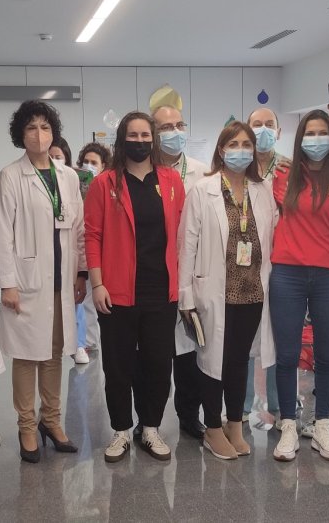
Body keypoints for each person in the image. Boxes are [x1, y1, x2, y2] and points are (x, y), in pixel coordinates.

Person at [85, 111, 186, 463]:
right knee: (118, 366)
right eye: (134, 135)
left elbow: (182, 236)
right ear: (122, 139)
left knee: (159, 364)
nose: (141, 141)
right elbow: (93, 236)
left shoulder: (172, 181)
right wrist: (97, 284)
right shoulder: (105, 183)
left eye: (146, 135)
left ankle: (150, 428)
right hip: (117, 292)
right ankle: (121, 430)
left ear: (153, 139)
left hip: (161, 291)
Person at [0, 101, 87, 463]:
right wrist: (8, 283)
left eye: (45, 127)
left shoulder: (68, 176)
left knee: (53, 355)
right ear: (21, 134)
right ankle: (27, 426)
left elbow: (77, 229)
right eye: (31, 127)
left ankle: (53, 421)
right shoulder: (10, 176)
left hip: (62, 280)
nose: (39, 134)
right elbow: (3, 234)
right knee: (27, 356)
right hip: (28, 280)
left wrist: (80, 273)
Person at [269, 109, 329, 462]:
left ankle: (323, 423)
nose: (316, 139)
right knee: (288, 355)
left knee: (326, 355)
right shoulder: (283, 177)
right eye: (309, 133)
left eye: (323, 132)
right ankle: (289, 424)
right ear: (299, 139)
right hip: (287, 273)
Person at [178, 122, 278, 460]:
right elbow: (186, 244)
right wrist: (186, 294)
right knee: (211, 360)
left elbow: (273, 237)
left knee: (238, 361)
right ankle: (213, 428)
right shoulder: (202, 189)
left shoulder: (262, 190)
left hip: (251, 291)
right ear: (221, 150)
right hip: (213, 292)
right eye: (233, 143)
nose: (241, 149)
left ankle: (235, 422)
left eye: (247, 144)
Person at [146, 95, 208, 441]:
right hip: (155, 275)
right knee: (155, 353)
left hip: (193, 275)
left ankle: (189, 414)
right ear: (154, 134)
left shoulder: (203, 172)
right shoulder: (144, 172)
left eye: (179, 126)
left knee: (190, 351)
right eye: (166, 127)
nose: (174, 132)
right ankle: (149, 418)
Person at [243, 107, 289, 423]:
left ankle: (278, 404)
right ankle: (243, 405)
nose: (263, 130)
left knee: (278, 333)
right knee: (245, 334)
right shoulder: (237, 167)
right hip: (244, 263)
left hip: (284, 262)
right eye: (256, 125)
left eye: (269, 125)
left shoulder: (291, 168)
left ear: (279, 131)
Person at [71, 142, 111, 364]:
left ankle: (92, 343)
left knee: (96, 302)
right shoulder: (74, 188)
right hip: (79, 255)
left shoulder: (109, 189)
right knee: (82, 300)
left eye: (93, 162)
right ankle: (83, 343)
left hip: (101, 257)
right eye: (85, 162)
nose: (88, 166)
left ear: (104, 166)